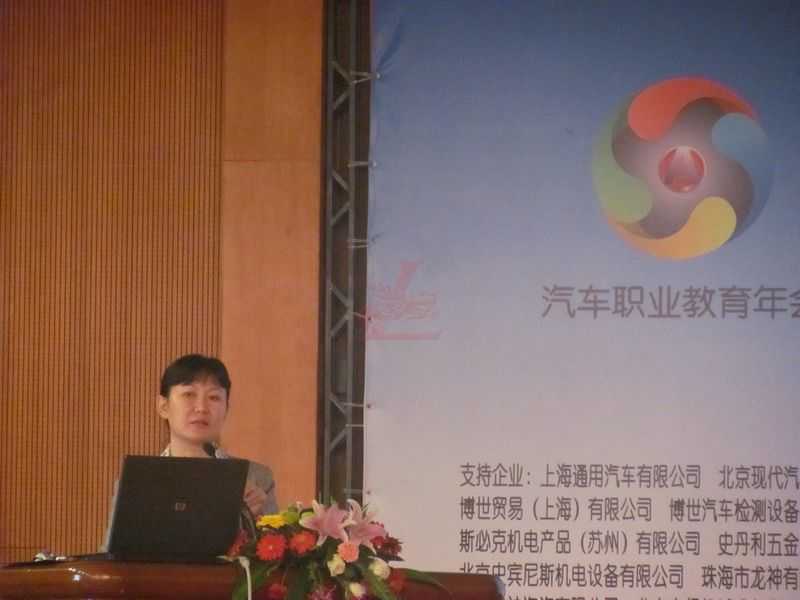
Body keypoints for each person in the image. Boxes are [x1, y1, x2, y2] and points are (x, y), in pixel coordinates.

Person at [101, 353, 277, 550]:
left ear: (226, 409)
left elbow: (276, 558)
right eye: (189, 394)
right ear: (163, 406)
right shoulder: (136, 480)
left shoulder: (256, 478)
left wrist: (256, 521)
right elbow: (109, 556)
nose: (201, 408)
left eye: (214, 397)